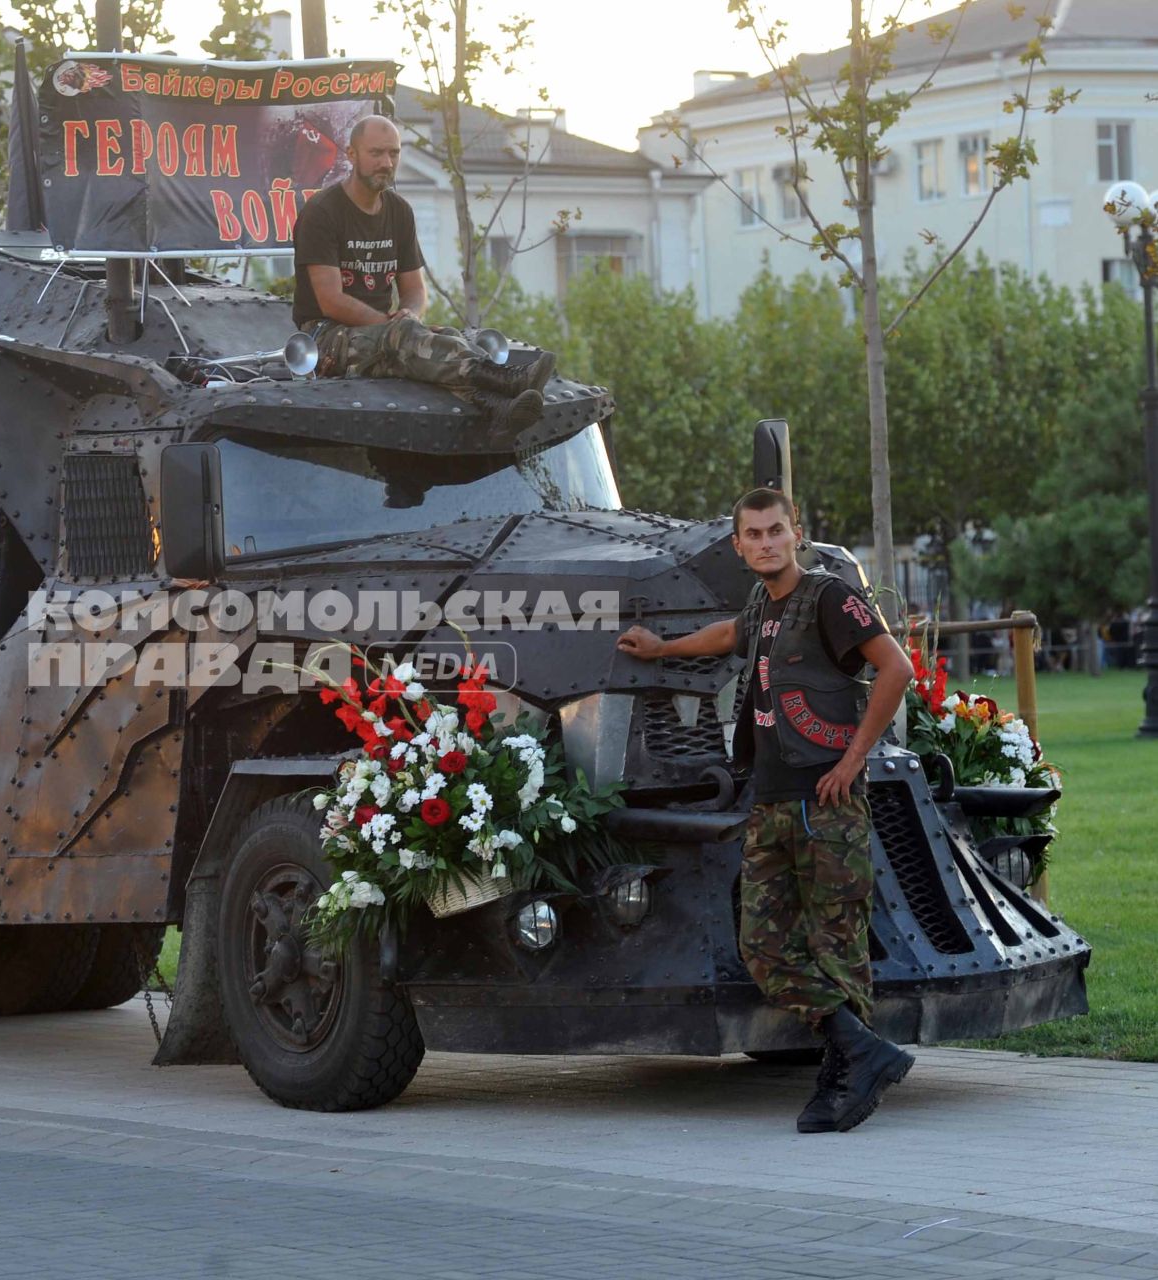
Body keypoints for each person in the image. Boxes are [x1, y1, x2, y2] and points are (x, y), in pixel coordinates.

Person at [616, 487, 916, 1134]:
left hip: (824, 802)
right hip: (772, 799)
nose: (763, 543)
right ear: (738, 544)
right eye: (751, 535)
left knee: (836, 946)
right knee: (761, 946)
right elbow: (730, 635)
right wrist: (664, 650)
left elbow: (894, 668)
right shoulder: (760, 604)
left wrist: (852, 759)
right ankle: (862, 1051)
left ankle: (845, 1077)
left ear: (795, 534)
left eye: (774, 531)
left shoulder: (829, 597)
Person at [291, 114, 557, 433]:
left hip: (383, 333)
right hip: (325, 340)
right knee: (406, 338)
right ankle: (505, 379)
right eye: (376, 153)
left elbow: (415, 290)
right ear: (351, 155)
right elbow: (331, 300)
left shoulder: (400, 211)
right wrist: (395, 325)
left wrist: (411, 315)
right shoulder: (322, 212)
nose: (386, 162)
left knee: (447, 338)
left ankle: (496, 408)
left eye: (394, 153)